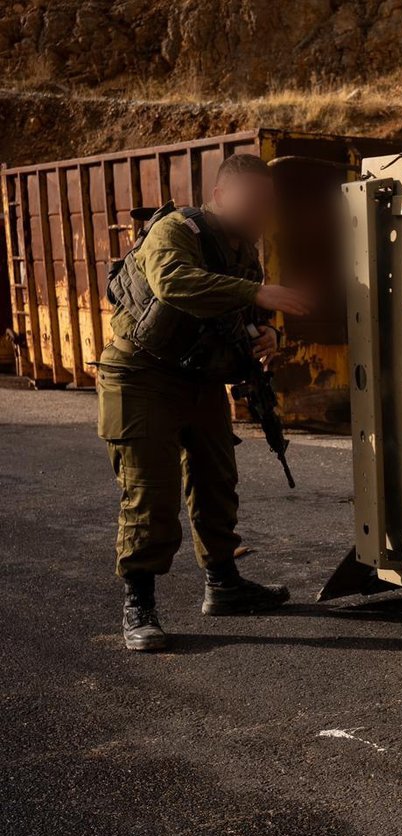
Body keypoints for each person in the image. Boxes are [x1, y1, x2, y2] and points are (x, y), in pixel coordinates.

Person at [98, 154, 314, 652]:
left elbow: (238, 314)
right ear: (220, 197)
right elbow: (173, 284)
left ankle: (223, 584)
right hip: (141, 375)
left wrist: (266, 336)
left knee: (217, 482)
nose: (262, 213)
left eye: (268, 205)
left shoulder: (244, 252)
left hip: (199, 379)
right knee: (150, 492)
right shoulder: (177, 230)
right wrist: (261, 295)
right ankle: (140, 602)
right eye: (253, 201)